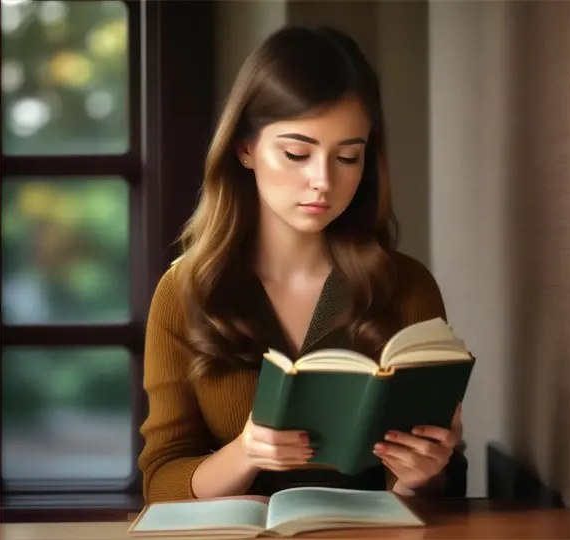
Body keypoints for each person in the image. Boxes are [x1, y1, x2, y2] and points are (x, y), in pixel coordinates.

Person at [138, 25, 467, 504]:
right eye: (296, 153)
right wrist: (247, 451)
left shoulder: (407, 286)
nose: (322, 181)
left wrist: (424, 475)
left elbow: (441, 485)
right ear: (245, 148)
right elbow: (160, 483)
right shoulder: (184, 292)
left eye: (348, 157)